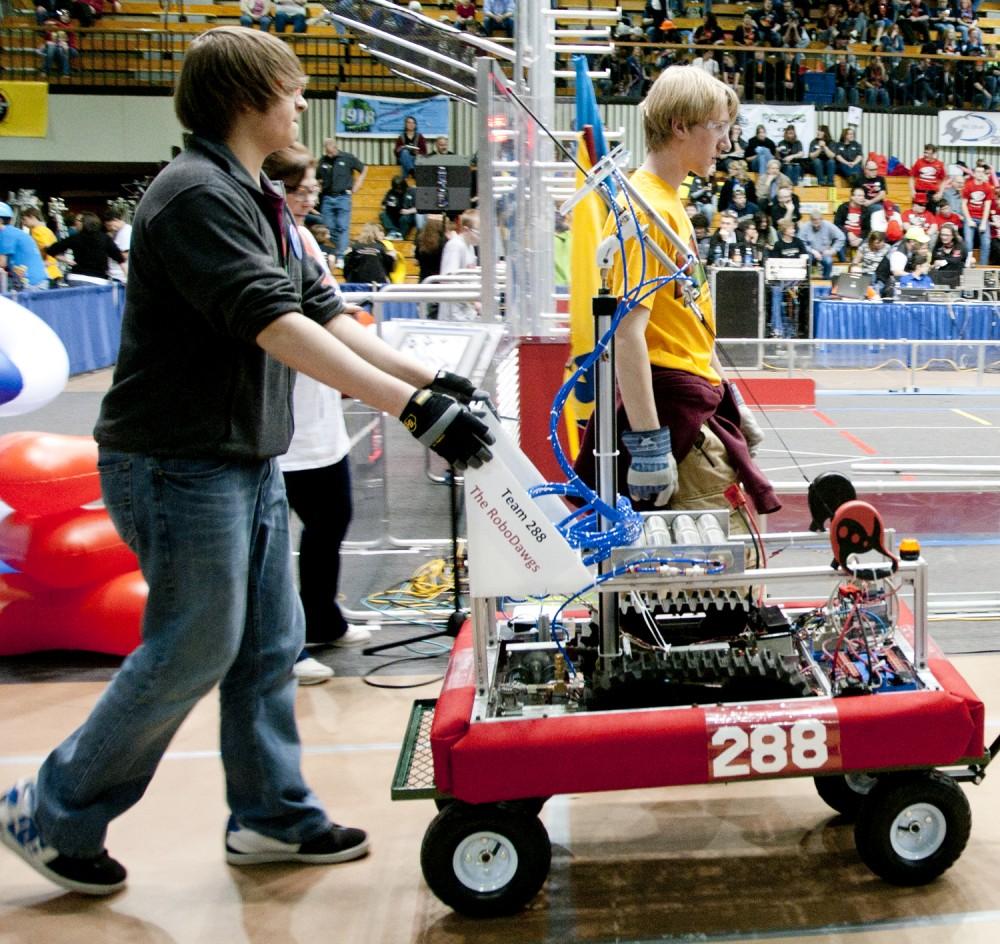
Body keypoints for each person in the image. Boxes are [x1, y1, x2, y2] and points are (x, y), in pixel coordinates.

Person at [0, 25, 493, 898]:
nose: (303, 102)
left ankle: (271, 817)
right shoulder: (194, 194)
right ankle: (54, 807)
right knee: (194, 646)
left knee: (269, 643)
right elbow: (274, 324)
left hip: (240, 458)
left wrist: (437, 377)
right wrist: (414, 411)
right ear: (249, 96)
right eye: (293, 88)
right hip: (176, 462)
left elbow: (328, 315)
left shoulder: (253, 193)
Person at [573, 66, 778, 543]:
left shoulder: (666, 203)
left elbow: (687, 315)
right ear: (680, 126)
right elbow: (627, 333)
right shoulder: (648, 209)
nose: (725, 144)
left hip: (694, 396)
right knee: (725, 563)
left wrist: (721, 385)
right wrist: (648, 444)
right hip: (674, 413)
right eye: (718, 128)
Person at [262, 142, 371, 685]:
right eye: (303, 189)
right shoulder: (266, 235)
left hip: (320, 412)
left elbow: (324, 307)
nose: (312, 199)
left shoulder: (300, 235)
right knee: (273, 543)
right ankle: (284, 645)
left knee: (332, 519)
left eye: (312, 190)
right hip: (284, 421)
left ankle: (322, 618)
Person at [316, 138, 366, 267]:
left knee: (343, 227)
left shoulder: (347, 158)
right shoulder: (322, 161)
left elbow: (363, 168)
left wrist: (358, 184)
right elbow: (318, 178)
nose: (329, 154)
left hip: (343, 196)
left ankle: (341, 256)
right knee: (328, 227)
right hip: (327, 198)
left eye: (331, 151)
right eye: (327, 152)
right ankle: (340, 249)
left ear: (335, 147)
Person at [46, 211, 125, 283]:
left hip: (76, 277)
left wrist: (67, 260)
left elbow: (51, 250)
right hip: (98, 279)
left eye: (77, 221)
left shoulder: (75, 238)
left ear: (83, 223)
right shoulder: (105, 238)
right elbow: (120, 259)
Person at [766, 219, 808, 337]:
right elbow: (775, 263)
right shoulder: (779, 245)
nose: (793, 230)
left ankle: (796, 328)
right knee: (776, 291)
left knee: (796, 290)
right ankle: (777, 329)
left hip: (796, 277)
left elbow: (804, 258)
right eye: (791, 228)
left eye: (794, 228)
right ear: (784, 230)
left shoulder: (798, 242)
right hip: (782, 278)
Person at [438, 209, 480, 321]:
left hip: (466, 308)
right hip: (454, 311)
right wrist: (472, 299)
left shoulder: (470, 246)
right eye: (479, 232)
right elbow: (448, 279)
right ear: (466, 230)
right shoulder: (455, 246)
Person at [0, 204, 50, 291]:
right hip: (34, 281)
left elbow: (1, 263)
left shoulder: (6, 233)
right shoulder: (12, 232)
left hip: (31, 284)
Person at [17, 206, 62, 286]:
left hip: (46, 273)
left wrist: (46, 262)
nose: (23, 223)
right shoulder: (45, 230)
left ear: (32, 217)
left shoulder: (37, 231)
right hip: (53, 272)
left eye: (24, 219)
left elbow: (48, 248)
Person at [414, 217, 448, 319]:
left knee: (424, 314)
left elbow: (416, 261)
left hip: (424, 281)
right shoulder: (444, 242)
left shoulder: (420, 242)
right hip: (439, 283)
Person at [961, 164, 993, 265]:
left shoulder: (987, 187)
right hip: (970, 217)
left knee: (986, 243)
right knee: (968, 242)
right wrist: (969, 220)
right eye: (978, 172)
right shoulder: (968, 185)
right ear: (974, 174)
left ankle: (983, 267)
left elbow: (987, 206)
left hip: (982, 218)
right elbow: (963, 205)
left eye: (982, 172)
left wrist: (983, 223)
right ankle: (968, 264)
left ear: (984, 174)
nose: (980, 174)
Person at [798, 210, 845, 279]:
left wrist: (832, 250)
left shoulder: (828, 225)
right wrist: (812, 251)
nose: (817, 224)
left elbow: (841, 237)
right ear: (810, 220)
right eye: (814, 221)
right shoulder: (805, 227)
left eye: (819, 221)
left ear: (822, 220)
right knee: (806, 260)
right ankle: (806, 281)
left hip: (824, 252)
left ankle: (826, 280)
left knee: (829, 261)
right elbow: (800, 242)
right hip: (810, 252)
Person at [834, 187, 872, 260]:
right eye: (859, 196)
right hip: (845, 235)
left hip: (859, 238)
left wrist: (860, 239)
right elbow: (837, 224)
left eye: (863, 196)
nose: (862, 198)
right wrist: (848, 233)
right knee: (839, 238)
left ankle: (861, 264)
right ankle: (843, 263)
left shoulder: (866, 210)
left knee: (870, 239)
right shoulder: (843, 207)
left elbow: (867, 229)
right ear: (852, 197)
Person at [379, 175, 419, 240]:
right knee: (383, 214)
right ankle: (392, 232)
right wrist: (388, 207)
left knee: (404, 218)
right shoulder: (391, 192)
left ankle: (400, 235)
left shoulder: (412, 191)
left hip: (408, 215)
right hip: (395, 214)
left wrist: (408, 211)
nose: (398, 191)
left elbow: (420, 208)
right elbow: (383, 205)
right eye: (396, 189)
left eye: (400, 189)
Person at [103, 208, 132, 283]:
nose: (110, 228)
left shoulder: (126, 232)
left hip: (120, 276)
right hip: (118, 274)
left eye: (110, 225)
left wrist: (108, 252)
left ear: (115, 220)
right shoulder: (119, 232)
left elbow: (125, 255)